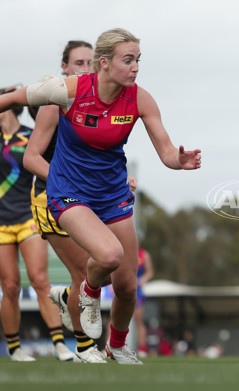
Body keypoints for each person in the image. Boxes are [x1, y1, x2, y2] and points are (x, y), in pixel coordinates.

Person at [0, 28, 201, 364]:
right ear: (104, 64)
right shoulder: (68, 90)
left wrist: (178, 162)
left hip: (112, 195)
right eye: (128, 60)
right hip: (68, 193)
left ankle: (117, 345)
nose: (136, 67)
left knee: (126, 286)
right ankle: (85, 295)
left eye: (138, 60)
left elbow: (166, 150)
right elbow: (18, 98)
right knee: (109, 256)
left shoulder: (140, 98)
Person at [23, 40, 111, 363]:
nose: (85, 69)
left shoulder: (98, 105)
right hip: (51, 197)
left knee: (108, 269)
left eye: (90, 62)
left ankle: (65, 299)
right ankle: (86, 348)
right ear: (64, 67)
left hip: (82, 198)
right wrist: (64, 182)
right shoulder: (54, 100)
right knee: (81, 272)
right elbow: (31, 159)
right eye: (78, 63)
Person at [0, 85, 74, 362]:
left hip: (27, 216)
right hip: (1, 223)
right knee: (10, 287)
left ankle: (60, 345)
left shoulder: (31, 136)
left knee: (41, 280)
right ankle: (15, 348)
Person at [133, 246, 154, 356]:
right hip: (123, 289)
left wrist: (140, 281)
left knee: (139, 321)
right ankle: (110, 346)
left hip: (138, 292)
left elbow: (150, 272)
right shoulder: (124, 251)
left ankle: (142, 349)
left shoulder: (144, 254)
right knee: (115, 319)